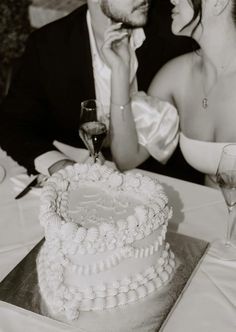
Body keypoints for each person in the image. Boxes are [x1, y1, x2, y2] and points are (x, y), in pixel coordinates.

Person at [0, 0, 202, 181]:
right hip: (82, 188)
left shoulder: (177, 30)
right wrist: (60, 165)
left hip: (163, 186)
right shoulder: (49, 45)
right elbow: (13, 123)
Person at [102, 0, 236, 187]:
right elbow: (126, 158)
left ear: (218, 3)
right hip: (209, 213)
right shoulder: (176, 76)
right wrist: (119, 72)